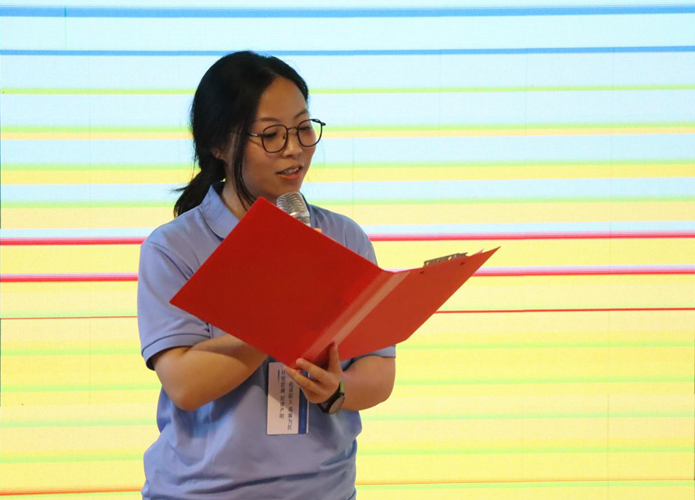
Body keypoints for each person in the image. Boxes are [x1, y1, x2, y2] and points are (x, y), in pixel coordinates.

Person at [137, 51, 396, 500]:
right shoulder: (174, 248)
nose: (294, 148)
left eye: (303, 128)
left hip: (324, 490)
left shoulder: (344, 237)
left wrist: (337, 391)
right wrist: (285, 308)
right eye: (272, 135)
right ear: (219, 144)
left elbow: (378, 370)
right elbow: (186, 385)